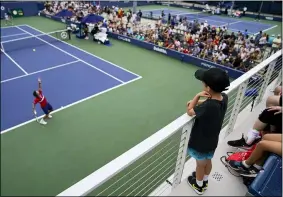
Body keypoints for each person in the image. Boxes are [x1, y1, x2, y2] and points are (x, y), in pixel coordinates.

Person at [186, 68, 230, 195]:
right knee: (208, 161)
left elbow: (190, 111)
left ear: (208, 88)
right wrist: (200, 102)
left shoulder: (208, 106)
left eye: (203, 82)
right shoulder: (224, 98)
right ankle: (205, 180)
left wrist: (196, 97)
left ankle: (199, 186)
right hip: (212, 141)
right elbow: (209, 103)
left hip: (200, 143)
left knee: (200, 165)